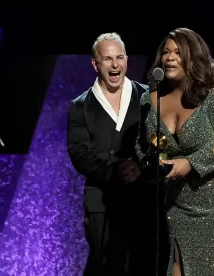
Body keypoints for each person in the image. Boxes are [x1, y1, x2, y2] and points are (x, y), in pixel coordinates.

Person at [135, 28, 214, 276]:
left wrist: (189, 163)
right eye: (166, 52)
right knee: (180, 263)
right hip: (181, 200)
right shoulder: (149, 99)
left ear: (193, 58)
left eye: (178, 53)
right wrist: (148, 164)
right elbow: (142, 144)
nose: (170, 57)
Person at [67, 32, 151, 275]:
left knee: (142, 265)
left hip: (143, 199)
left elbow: (158, 143)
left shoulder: (147, 98)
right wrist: (114, 173)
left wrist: (140, 167)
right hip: (101, 203)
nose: (115, 65)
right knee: (104, 266)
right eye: (107, 59)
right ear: (95, 64)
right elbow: (78, 152)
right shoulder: (79, 105)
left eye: (120, 57)